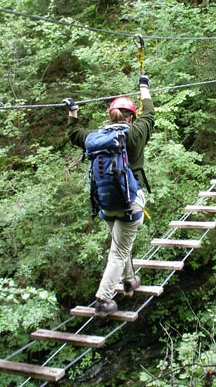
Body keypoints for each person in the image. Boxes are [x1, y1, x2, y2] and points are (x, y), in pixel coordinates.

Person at [63, 74, 154, 317]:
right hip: (130, 203)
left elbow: (74, 133)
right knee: (119, 251)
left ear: (110, 116)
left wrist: (73, 111)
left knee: (120, 245)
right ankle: (103, 299)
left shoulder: (95, 139)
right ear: (131, 117)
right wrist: (144, 87)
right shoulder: (134, 135)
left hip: (106, 205)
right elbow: (150, 113)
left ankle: (129, 281)